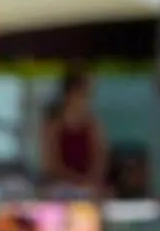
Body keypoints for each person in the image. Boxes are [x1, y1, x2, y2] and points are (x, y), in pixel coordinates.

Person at [36, 63, 109, 194]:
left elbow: (100, 158)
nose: (85, 100)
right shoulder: (53, 124)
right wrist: (75, 181)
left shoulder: (93, 124)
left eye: (87, 95)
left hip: (89, 186)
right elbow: (51, 163)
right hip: (60, 186)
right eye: (83, 94)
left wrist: (90, 180)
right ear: (70, 94)